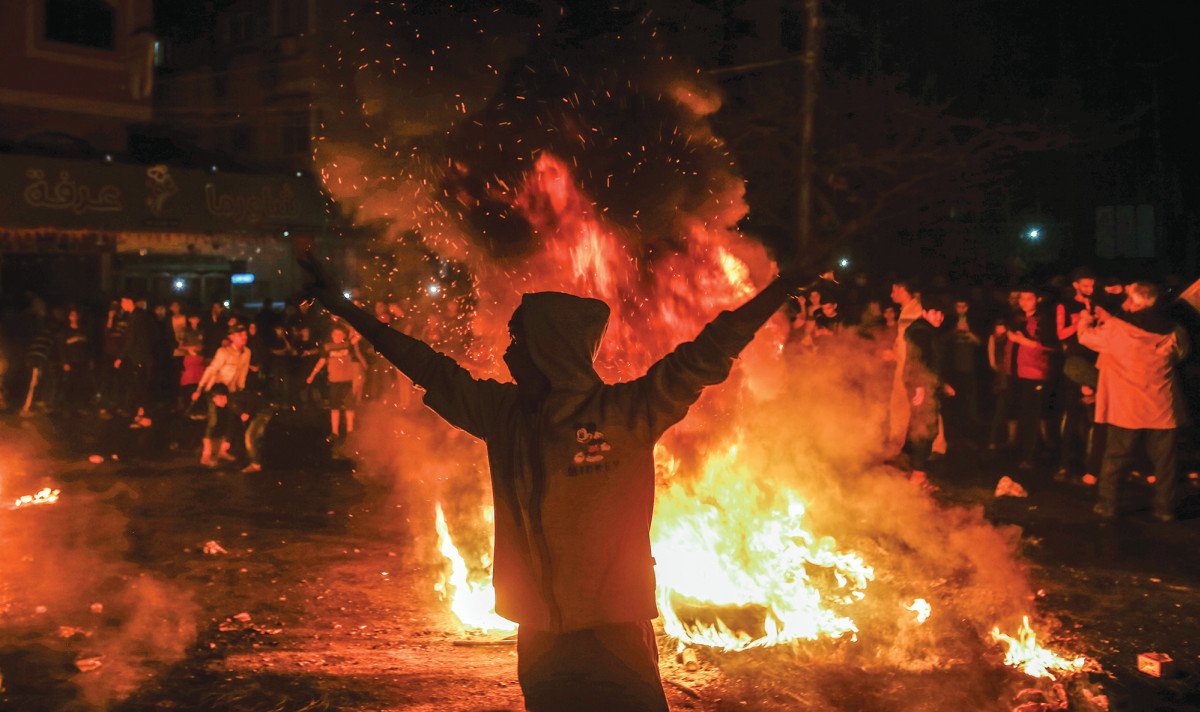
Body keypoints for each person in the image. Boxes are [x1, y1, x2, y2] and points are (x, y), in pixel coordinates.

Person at [299, 251, 807, 712]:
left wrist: (781, 288)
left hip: (614, 631)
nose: (508, 354)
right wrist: (343, 308)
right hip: (540, 635)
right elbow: (427, 366)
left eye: (518, 341)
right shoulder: (503, 415)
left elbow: (709, 351)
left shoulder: (626, 412)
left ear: (550, 348)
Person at [1077, 282, 1190, 521]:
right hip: (1162, 407)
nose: (1125, 302)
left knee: (1116, 456)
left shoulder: (1118, 329)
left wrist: (1085, 319)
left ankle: (1108, 504)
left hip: (1127, 407)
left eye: (1129, 298)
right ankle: (1165, 509)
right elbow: (1182, 353)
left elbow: (1086, 338)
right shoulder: (1174, 330)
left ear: (1137, 304)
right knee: (1165, 462)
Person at [902, 295, 953, 488]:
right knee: (924, 428)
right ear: (924, 312)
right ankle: (917, 476)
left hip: (926, 384)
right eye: (935, 313)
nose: (939, 317)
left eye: (942, 313)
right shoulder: (921, 332)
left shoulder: (926, 330)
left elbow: (932, 362)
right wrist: (920, 387)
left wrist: (941, 384)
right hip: (920, 385)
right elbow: (917, 360)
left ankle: (914, 470)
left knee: (923, 426)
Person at [1007, 287, 1056, 469]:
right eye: (1022, 298)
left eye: (1029, 298)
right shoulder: (1018, 318)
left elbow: (1052, 346)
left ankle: (1032, 455)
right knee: (1022, 413)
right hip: (1017, 372)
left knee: (1033, 415)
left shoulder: (1044, 319)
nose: (1024, 302)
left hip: (1036, 373)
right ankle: (1023, 452)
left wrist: (1025, 342)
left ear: (1038, 299)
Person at [194, 324, 252, 465]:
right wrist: (199, 388)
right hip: (215, 390)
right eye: (240, 335)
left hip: (230, 391)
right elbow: (211, 369)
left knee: (228, 420)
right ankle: (206, 455)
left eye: (245, 334)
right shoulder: (223, 352)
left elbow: (243, 372)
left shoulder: (246, 352)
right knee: (214, 420)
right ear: (232, 337)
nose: (244, 337)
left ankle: (221, 451)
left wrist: (240, 391)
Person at [305, 324, 366, 442]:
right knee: (334, 407)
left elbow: (359, 335)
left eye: (340, 334)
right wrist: (312, 375)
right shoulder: (327, 347)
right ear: (332, 335)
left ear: (343, 336)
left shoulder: (348, 344)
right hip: (334, 382)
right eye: (335, 334)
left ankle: (350, 431)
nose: (337, 336)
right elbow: (321, 361)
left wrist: (351, 325)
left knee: (349, 407)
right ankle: (334, 432)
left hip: (347, 381)